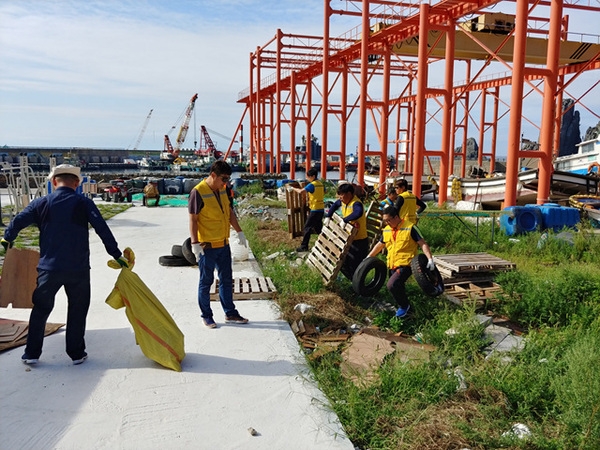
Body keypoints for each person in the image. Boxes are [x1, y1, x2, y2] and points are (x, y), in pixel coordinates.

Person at [1, 164, 128, 365]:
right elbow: (102, 229)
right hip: (78, 269)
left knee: (41, 309)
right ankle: (76, 353)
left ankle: (32, 353)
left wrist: (7, 238)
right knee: (77, 310)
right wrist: (116, 254)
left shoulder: (41, 203)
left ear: (53, 182)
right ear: (77, 183)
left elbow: (18, 221)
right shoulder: (84, 203)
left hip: (48, 269)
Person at [188, 160, 249, 329]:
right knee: (206, 281)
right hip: (206, 246)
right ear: (213, 175)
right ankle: (206, 316)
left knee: (226, 280)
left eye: (228, 179)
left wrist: (239, 231)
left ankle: (230, 313)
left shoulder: (222, 190)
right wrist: (195, 244)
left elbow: (229, 212)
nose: (226, 182)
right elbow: (193, 219)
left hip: (223, 244)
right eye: (223, 179)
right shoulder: (197, 192)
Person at [367, 205, 435, 318]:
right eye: (385, 221)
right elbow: (380, 245)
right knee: (398, 286)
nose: (387, 223)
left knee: (392, 285)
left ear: (396, 217)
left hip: (406, 264)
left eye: (389, 220)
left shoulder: (410, 227)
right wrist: (369, 257)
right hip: (392, 264)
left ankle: (405, 307)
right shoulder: (387, 230)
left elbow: (422, 243)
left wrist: (430, 258)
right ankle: (408, 312)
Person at [325, 182, 369, 280]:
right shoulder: (343, 201)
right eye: (339, 194)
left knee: (355, 264)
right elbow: (334, 205)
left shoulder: (356, 203)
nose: (340, 197)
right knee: (343, 262)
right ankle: (352, 282)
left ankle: (358, 286)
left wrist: (345, 220)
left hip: (359, 241)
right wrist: (328, 216)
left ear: (349, 194)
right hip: (348, 239)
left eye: (342, 194)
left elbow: (358, 213)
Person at [291, 168, 324, 252]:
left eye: (308, 177)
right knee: (318, 228)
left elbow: (301, 191)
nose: (307, 178)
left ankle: (304, 246)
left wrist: (293, 189)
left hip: (315, 209)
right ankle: (324, 244)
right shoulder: (320, 184)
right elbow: (325, 191)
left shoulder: (312, 185)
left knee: (307, 227)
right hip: (321, 208)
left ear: (313, 176)